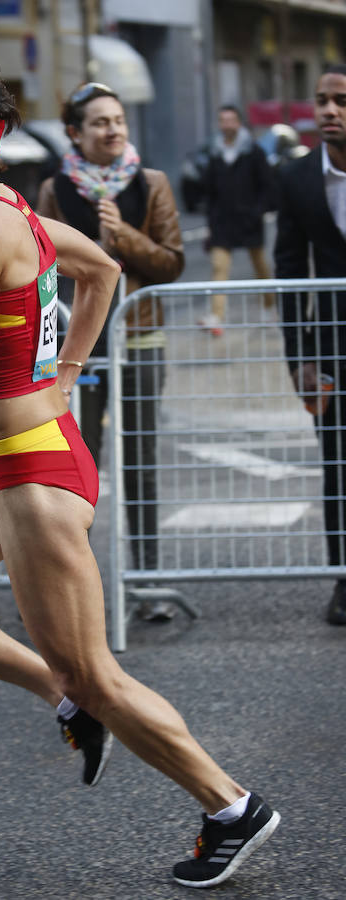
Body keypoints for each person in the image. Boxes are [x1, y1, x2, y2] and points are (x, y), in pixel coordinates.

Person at [0, 60, 280, 888]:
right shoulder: (10, 213)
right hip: (13, 461)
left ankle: (231, 806)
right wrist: (68, 370)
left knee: (97, 674)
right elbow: (101, 271)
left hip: (33, 475)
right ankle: (58, 696)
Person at [36, 82, 184, 607]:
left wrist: (123, 236)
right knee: (77, 466)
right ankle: (82, 589)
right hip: (79, 344)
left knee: (141, 460)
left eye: (118, 120)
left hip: (141, 336)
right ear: (75, 133)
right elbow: (41, 264)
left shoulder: (152, 182)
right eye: (100, 122)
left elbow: (172, 262)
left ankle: (146, 583)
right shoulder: (57, 189)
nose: (113, 130)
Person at [274, 64, 346, 626]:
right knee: (338, 463)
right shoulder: (296, 178)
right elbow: (290, 273)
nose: (328, 110)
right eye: (321, 100)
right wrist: (299, 360)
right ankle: (345, 579)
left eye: (340, 100)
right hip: (331, 344)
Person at [199, 105, 275, 337]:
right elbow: (209, 191)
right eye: (223, 120)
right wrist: (210, 222)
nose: (227, 124)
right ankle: (217, 316)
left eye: (231, 120)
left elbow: (267, 185)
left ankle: (269, 307)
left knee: (260, 267)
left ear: (239, 123)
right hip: (222, 222)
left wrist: (258, 211)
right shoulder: (215, 153)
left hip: (248, 220)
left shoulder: (253, 151)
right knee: (219, 267)